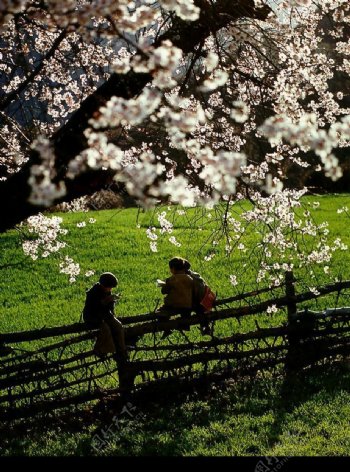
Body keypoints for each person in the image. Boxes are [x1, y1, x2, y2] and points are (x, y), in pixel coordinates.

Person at [82, 272, 128, 362]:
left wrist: (111, 302)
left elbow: (108, 309)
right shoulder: (93, 293)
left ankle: (122, 350)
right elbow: (93, 309)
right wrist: (104, 302)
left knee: (118, 326)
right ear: (103, 285)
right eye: (109, 287)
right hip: (93, 317)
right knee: (105, 329)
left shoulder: (107, 292)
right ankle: (101, 350)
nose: (110, 289)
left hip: (104, 315)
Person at [156, 257, 194, 338]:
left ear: (173, 269)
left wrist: (163, 285)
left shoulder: (172, 279)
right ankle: (185, 325)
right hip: (187, 305)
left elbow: (164, 291)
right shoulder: (190, 279)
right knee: (186, 314)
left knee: (160, 312)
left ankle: (166, 328)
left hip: (173, 305)